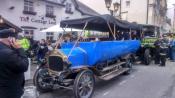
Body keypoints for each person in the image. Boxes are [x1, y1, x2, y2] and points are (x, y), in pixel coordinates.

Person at [0, 29, 29, 98]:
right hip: (9, 91)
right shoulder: (7, 53)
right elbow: (24, 66)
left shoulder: (4, 49)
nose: (18, 41)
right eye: (16, 39)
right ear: (10, 39)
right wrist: (20, 48)